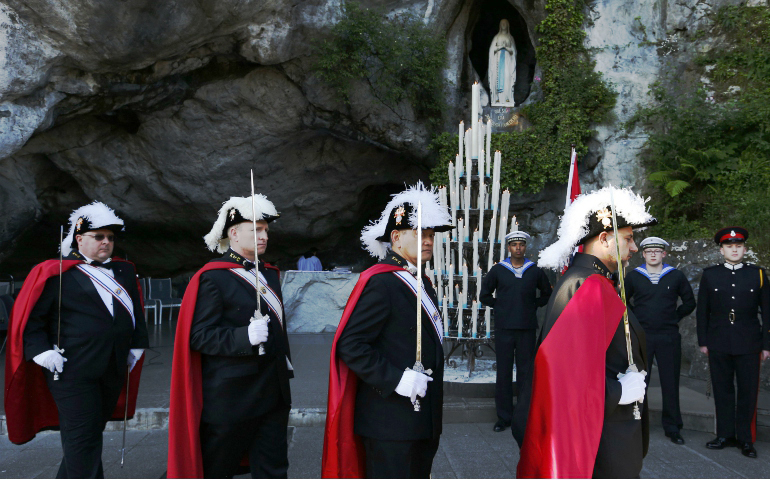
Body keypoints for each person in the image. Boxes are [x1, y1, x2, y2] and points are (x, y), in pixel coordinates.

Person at [517, 187, 655, 478]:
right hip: (603, 439)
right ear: (604, 238)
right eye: (628, 238)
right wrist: (618, 391)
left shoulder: (595, 281)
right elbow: (563, 372)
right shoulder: (587, 285)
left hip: (607, 431)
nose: (634, 248)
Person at [5, 201, 148, 478]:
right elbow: (31, 322)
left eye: (110, 237)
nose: (106, 242)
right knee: (83, 438)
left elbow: (136, 311)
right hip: (70, 370)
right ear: (79, 239)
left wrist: (138, 344)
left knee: (87, 435)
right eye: (99, 236)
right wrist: (43, 353)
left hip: (113, 367)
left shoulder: (125, 271)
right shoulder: (57, 272)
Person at [322, 183, 454, 479]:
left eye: (431, 234)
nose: (429, 240)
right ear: (395, 237)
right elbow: (351, 344)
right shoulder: (381, 282)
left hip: (420, 419)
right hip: (390, 424)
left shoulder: (422, 281)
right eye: (420, 233)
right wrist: (397, 379)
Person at [167, 194, 293, 478]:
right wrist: (243, 337)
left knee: (274, 470)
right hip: (232, 397)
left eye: (266, 231)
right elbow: (198, 336)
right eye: (256, 230)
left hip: (272, 391)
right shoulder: (214, 277)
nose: (264, 237)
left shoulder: (270, 274)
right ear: (233, 233)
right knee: (218, 469)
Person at [697, 227, 770, 458]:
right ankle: (724, 435)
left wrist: (766, 345)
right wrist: (703, 341)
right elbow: (702, 312)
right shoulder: (710, 275)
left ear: (745, 249)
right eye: (729, 246)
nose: (734, 249)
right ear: (722, 250)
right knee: (722, 390)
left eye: (738, 246)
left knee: (748, 392)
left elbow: (767, 312)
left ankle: (745, 440)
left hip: (749, 342)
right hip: (718, 340)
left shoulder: (757, 274)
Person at [479, 229, 552, 434]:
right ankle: (504, 417)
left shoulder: (534, 270)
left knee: (525, 373)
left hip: (527, 328)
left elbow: (547, 293)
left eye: (521, 245)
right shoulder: (498, 270)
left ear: (525, 247)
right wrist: (500, 306)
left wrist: (533, 305)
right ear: (509, 247)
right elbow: (485, 295)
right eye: (514, 245)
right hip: (504, 328)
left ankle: (524, 416)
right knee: (503, 373)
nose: (518, 248)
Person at [625, 236, 695, 445]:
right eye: (649, 251)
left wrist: (674, 316)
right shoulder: (633, 277)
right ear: (644, 254)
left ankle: (673, 427)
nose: (653, 254)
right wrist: (637, 319)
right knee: (639, 382)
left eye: (658, 251)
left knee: (670, 382)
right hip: (643, 336)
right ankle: (635, 425)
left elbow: (689, 302)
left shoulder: (676, 276)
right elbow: (623, 302)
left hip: (668, 336)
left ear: (664, 253)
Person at [488, 18, 517, 106]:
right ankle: (497, 99)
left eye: (505, 23)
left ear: (508, 25)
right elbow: (491, 50)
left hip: (507, 62)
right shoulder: (496, 37)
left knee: (507, 78)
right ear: (500, 25)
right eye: (502, 23)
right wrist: (499, 48)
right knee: (497, 78)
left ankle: (507, 98)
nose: (504, 25)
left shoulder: (510, 37)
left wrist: (507, 48)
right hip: (497, 62)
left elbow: (514, 51)